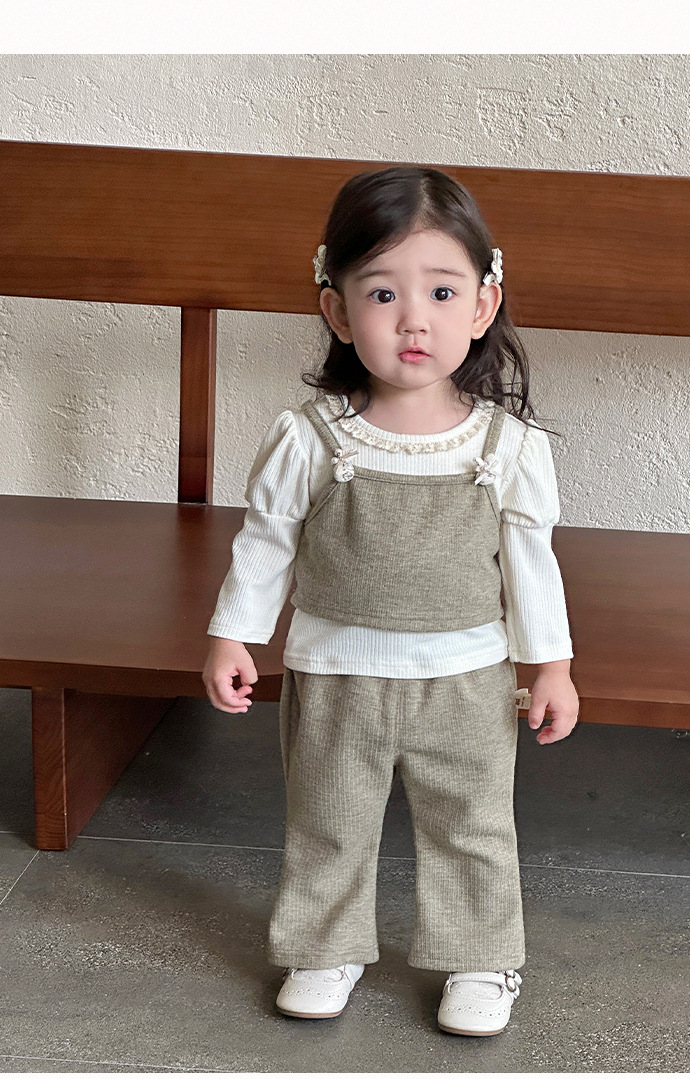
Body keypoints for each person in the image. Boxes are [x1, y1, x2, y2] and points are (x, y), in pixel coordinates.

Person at [202, 165, 579, 1038]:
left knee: (472, 825)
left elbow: (532, 565)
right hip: (336, 673)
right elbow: (265, 542)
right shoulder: (311, 437)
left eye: (442, 292)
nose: (414, 319)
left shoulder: (506, 445)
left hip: (468, 679)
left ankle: (480, 956)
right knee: (329, 820)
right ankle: (323, 945)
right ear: (337, 311)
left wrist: (551, 665)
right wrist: (234, 635)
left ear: (482, 305)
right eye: (382, 293)